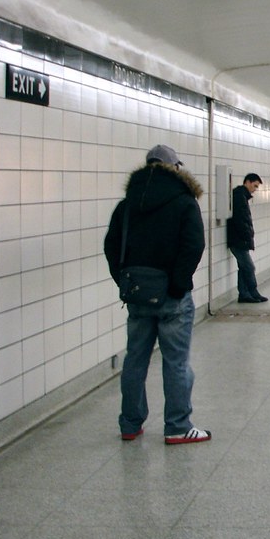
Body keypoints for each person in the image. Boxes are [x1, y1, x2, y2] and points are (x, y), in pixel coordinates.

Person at [103, 144, 211, 445]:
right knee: (175, 362)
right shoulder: (184, 202)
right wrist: (177, 284)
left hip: (137, 294)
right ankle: (177, 426)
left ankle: (130, 424)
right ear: (174, 168)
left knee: (135, 359)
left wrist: (123, 281)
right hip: (172, 297)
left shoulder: (127, 204)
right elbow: (193, 246)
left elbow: (112, 246)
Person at [227, 173, 267, 303]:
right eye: (254, 186)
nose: (254, 189)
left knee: (243, 267)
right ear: (248, 182)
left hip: (239, 238)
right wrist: (246, 235)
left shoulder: (241, 195)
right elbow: (240, 219)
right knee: (249, 267)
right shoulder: (240, 196)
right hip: (239, 240)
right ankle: (252, 292)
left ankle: (244, 294)